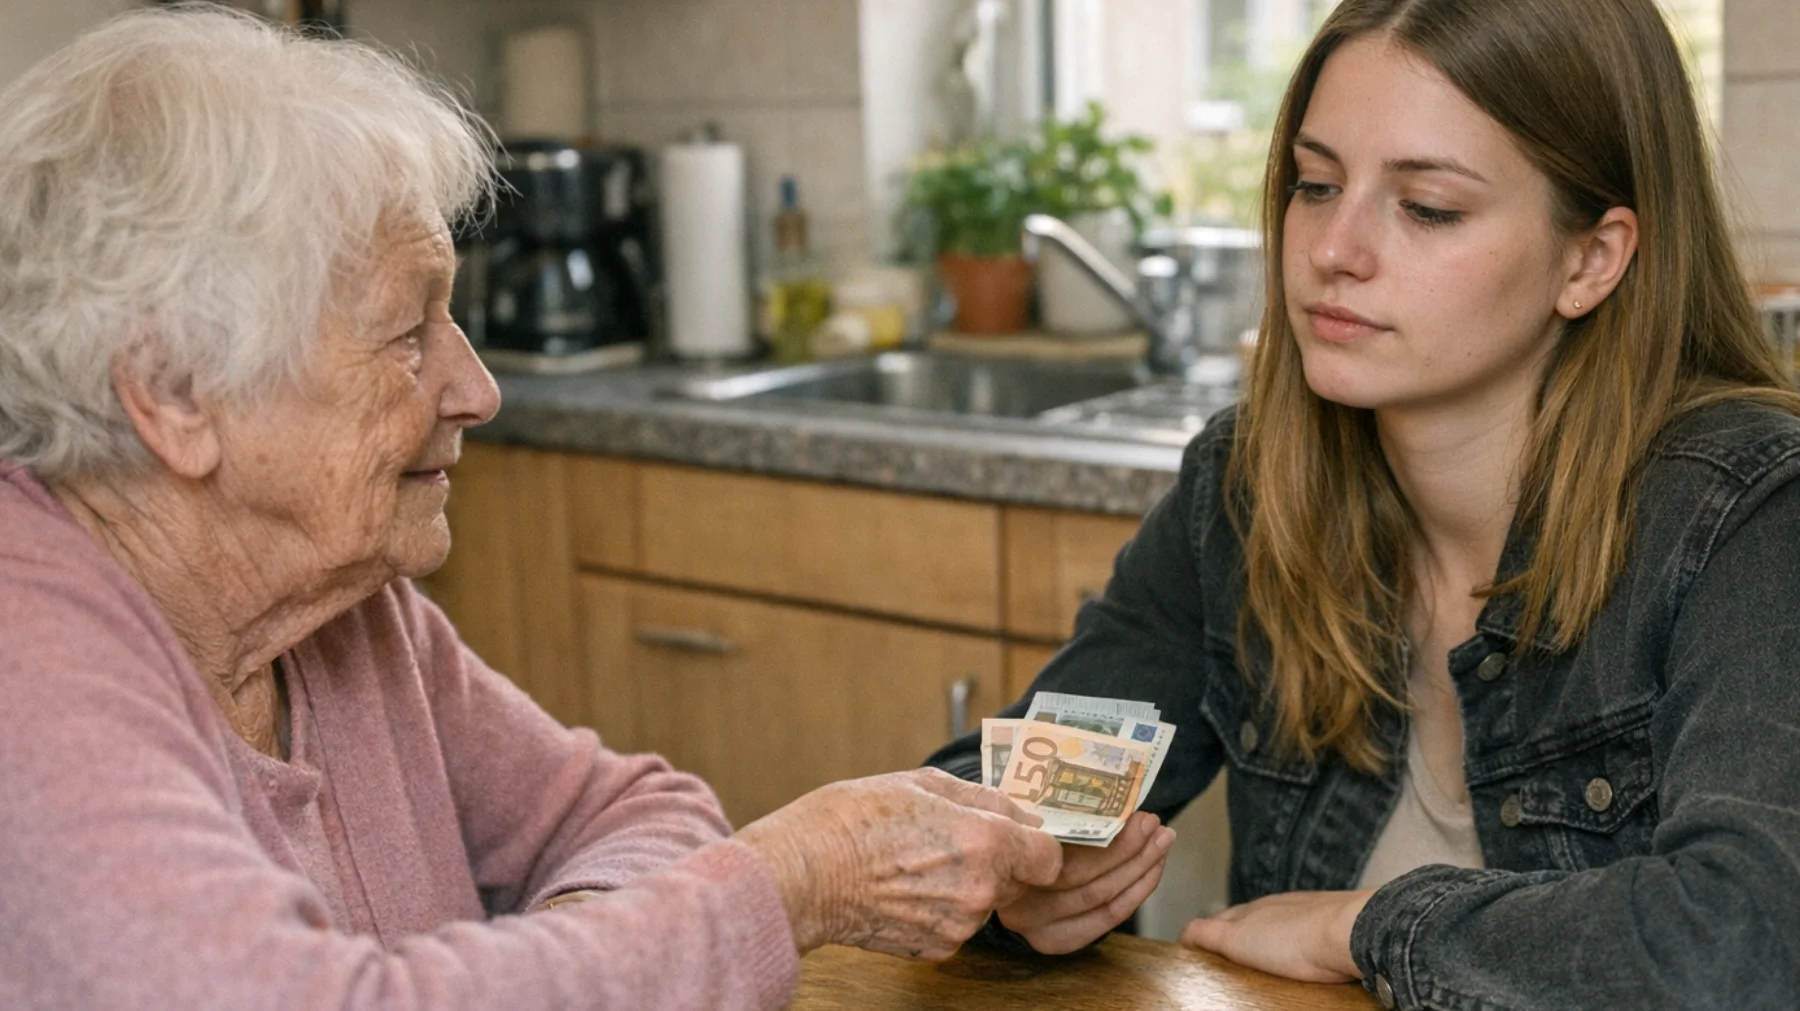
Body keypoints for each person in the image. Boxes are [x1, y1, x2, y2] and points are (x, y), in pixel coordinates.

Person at [0, 9, 1065, 1010]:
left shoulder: (342, 611)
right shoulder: (29, 669)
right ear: (176, 390)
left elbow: (642, 815)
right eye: (407, 331)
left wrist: (583, 970)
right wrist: (789, 884)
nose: (479, 389)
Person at [929, 0, 1800, 1006]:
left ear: (1591, 259)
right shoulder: (1246, 490)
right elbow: (991, 805)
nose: (1332, 249)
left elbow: (1749, 939)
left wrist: (1365, 923)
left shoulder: (1751, 515)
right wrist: (1023, 881)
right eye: (1316, 183)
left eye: (1427, 207)